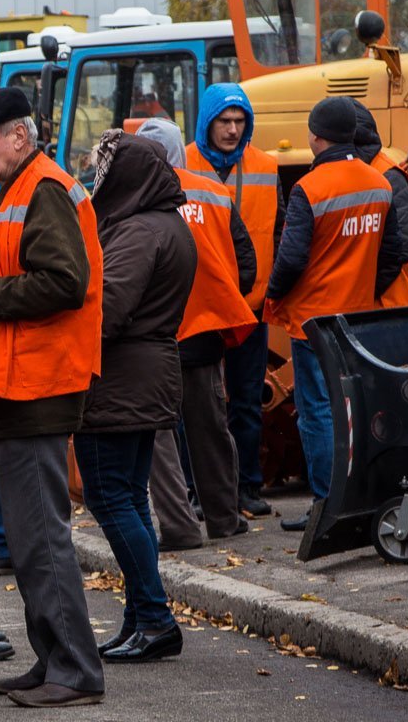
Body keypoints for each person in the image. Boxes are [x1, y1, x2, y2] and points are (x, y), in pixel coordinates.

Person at [0, 87, 104, 708]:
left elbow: (65, 282)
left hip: (38, 385)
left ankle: (72, 669)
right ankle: (54, 661)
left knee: (41, 537)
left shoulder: (41, 188)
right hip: (25, 385)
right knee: (30, 537)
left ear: (18, 135)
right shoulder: (23, 190)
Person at [73, 129, 195, 664]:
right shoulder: (163, 222)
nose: (96, 184)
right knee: (128, 497)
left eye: (103, 173)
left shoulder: (138, 231)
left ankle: (153, 616)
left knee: (109, 496)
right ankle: (139, 618)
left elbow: (109, 311)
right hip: (146, 375)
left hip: (120, 378)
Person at [267, 97, 401, 531]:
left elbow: (290, 260)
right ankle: (360, 494)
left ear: (314, 136)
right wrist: (367, 289)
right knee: (354, 408)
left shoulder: (311, 188)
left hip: (313, 322)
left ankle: (326, 503)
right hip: (357, 320)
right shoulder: (378, 183)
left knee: (318, 412)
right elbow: (395, 249)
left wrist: (271, 295)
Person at [137, 118, 257, 550]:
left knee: (159, 437)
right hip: (204, 331)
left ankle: (178, 526)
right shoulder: (213, 192)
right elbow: (246, 262)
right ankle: (225, 519)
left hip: (154, 336)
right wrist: (218, 298)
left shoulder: (135, 198)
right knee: (211, 430)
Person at [186, 83, 282, 517]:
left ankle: (247, 489)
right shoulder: (180, 163)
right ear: (207, 121)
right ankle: (200, 491)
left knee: (245, 401)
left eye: (239, 122)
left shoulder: (265, 166)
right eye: (223, 121)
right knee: (199, 406)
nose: (231, 129)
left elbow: (274, 233)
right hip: (198, 308)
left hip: (250, 304)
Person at [351, 99, 408, 308]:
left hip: (394, 306)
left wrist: (363, 290)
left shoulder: (388, 176)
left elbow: (403, 246)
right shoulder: (371, 171)